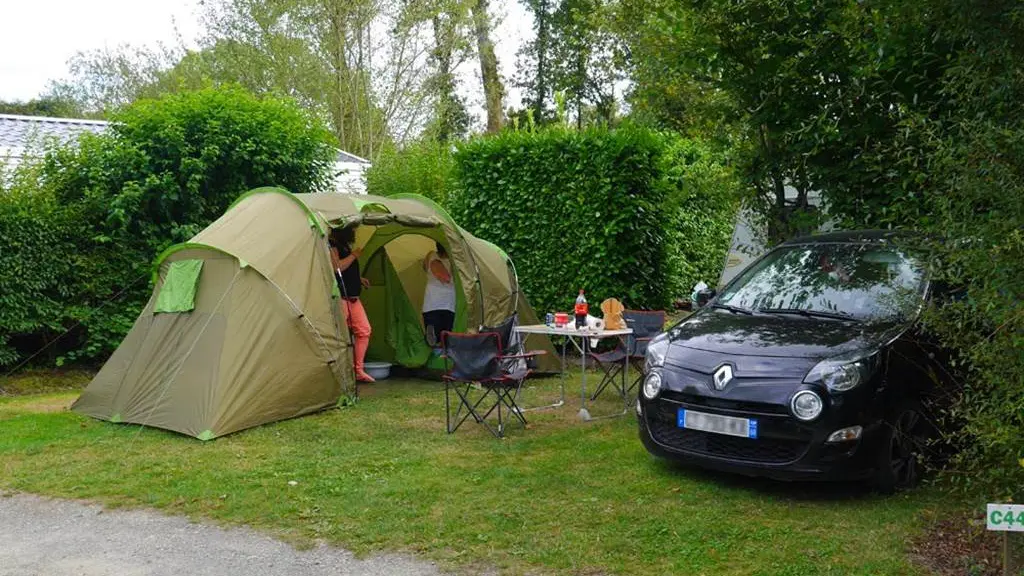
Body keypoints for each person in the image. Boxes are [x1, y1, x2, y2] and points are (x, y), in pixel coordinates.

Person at [329, 226, 375, 383]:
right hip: (342, 297)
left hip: (354, 297)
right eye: (353, 229)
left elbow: (347, 271)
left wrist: (358, 279)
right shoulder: (331, 244)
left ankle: (358, 370)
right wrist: (354, 255)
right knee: (341, 335)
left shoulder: (344, 244)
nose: (355, 232)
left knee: (364, 330)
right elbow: (337, 267)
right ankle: (341, 371)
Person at [422, 242, 456, 347]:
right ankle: (434, 352)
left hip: (448, 305)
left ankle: (443, 358)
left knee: (446, 338)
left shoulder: (454, 259)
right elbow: (445, 277)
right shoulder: (433, 256)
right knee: (436, 337)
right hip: (435, 305)